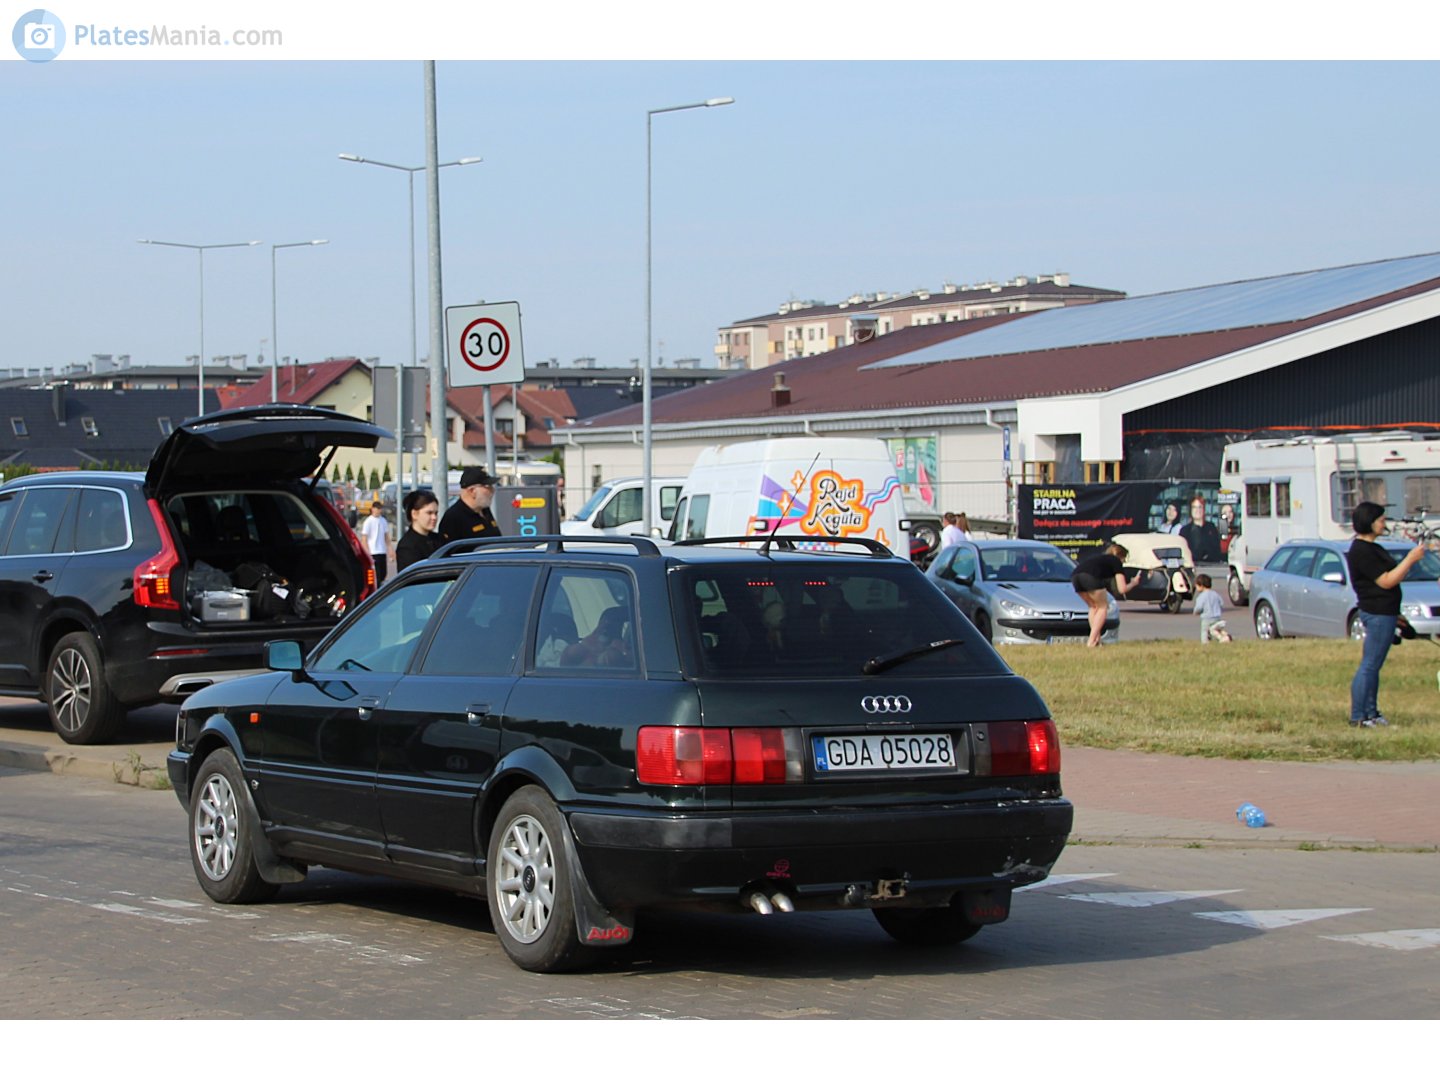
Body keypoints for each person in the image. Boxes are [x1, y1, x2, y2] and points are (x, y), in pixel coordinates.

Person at [1345, 501, 1425, 728]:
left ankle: (1371, 712)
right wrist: (1410, 559)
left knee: (1374, 665)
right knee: (1369, 665)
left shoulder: (1374, 548)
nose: (1384, 523)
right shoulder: (1360, 551)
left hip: (1386, 612)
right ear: (1369, 522)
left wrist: (1397, 615)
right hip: (1376, 613)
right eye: (1380, 520)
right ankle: (1359, 716)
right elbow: (1386, 581)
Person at [1071, 541, 1139, 647]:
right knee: (1103, 607)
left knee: (1093, 607)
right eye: (1124, 559)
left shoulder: (1101, 558)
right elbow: (1122, 589)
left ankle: (1096, 639)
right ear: (1121, 556)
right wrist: (1134, 583)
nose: (1123, 562)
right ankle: (1092, 641)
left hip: (1076, 577)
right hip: (1091, 577)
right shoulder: (1116, 561)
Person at [438, 465, 501, 544]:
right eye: (487, 487)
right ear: (472, 491)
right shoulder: (453, 517)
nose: (492, 490)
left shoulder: (484, 510)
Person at [395, 488, 443, 572]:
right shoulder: (407, 546)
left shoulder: (439, 539)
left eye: (436, 513)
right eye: (429, 513)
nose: (434, 518)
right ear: (414, 514)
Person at [359, 500, 394, 584]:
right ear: (372, 509)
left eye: (380, 508)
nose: (379, 510)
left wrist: (390, 549)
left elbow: (386, 536)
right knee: (376, 575)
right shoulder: (368, 521)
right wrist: (367, 552)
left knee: (383, 573)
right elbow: (364, 538)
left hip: (381, 551)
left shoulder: (383, 521)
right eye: (377, 508)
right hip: (373, 552)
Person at [1179, 494, 1222, 562]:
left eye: (1200, 507)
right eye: (1194, 507)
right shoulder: (1184, 531)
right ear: (1191, 510)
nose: (1197, 510)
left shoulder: (1211, 528)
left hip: (1210, 566)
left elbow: (1216, 551)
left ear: (1203, 509)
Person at [1193, 573, 1229, 643]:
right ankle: (1223, 637)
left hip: (1207, 618)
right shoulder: (1215, 594)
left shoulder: (1201, 596)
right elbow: (1221, 603)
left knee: (1205, 631)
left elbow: (1199, 608)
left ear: (1201, 586)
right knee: (1216, 630)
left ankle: (1205, 643)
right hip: (1217, 617)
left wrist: (1195, 612)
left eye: (1197, 585)